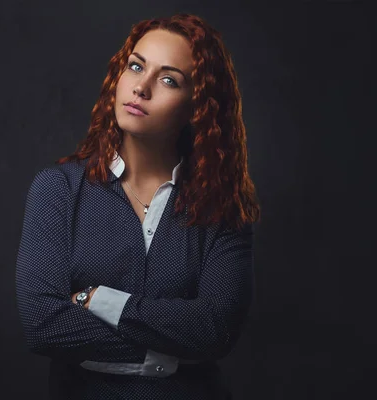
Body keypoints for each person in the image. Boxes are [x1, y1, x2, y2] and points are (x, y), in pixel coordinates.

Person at [16, 12, 261, 400]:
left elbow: (216, 330)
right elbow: (43, 323)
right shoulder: (59, 190)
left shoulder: (222, 210)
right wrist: (162, 355)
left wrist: (103, 301)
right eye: (135, 66)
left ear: (196, 106)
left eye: (168, 80)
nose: (141, 88)